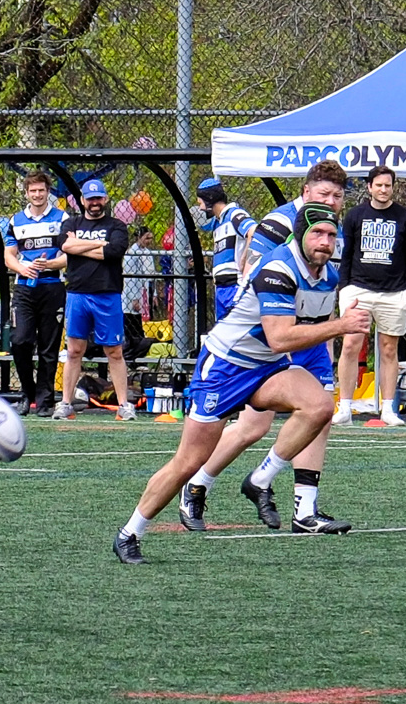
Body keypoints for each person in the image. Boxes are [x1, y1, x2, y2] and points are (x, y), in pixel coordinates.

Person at [115, 203, 371, 563]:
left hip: (266, 366)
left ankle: (260, 479)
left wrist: (336, 329)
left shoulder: (327, 275)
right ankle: (130, 532)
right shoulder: (279, 270)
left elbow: (304, 333)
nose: (325, 242)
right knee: (188, 461)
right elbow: (281, 337)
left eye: (331, 235)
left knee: (320, 407)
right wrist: (343, 325)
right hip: (225, 367)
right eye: (317, 233)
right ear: (300, 234)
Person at [177, 159, 350, 534]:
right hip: (275, 331)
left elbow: (324, 285)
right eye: (324, 194)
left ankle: (304, 510)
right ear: (305, 192)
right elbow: (252, 267)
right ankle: (198, 483)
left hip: (309, 331)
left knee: (320, 413)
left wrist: (326, 336)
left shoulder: (332, 231)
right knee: (252, 427)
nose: (332, 201)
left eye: (338, 195)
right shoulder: (279, 223)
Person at [335, 165, 406, 427]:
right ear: (369, 186)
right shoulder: (355, 215)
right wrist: (345, 287)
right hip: (358, 289)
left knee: (388, 348)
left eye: (388, 185)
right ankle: (345, 408)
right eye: (379, 185)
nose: (384, 190)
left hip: (394, 293)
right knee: (350, 345)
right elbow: (347, 254)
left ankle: (388, 409)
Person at [58, 179, 132, 420]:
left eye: (98, 198)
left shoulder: (117, 225)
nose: (95, 203)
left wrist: (80, 246)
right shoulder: (71, 223)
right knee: (74, 350)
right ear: (82, 201)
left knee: (114, 351)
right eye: (90, 199)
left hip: (107, 294)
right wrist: (98, 243)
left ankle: (123, 406)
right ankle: (66, 403)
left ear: (105, 199)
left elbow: (113, 251)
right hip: (77, 294)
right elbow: (65, 245)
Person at [1, 172, 68, 416]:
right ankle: (26, 394)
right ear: (26, 193)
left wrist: (48, 265)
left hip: (52, 287)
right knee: (20, 341)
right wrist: (23, 268)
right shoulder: (16, 220)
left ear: (48, 191)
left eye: (41, 190)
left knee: (49, 348)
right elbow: (9, 255)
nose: (37, 195)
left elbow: (68, 254)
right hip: (24, 289)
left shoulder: (62, 218)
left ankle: (45, 401)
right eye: (33, 191)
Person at [196, 179, 256, 320]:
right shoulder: (217, 223)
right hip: (221, 288)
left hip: (235, 285)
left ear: (210, 199)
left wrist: (244, 259)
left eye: (201, 203)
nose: (201, 208)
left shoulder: (234, 215)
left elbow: (253, 231)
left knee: (236, 332)